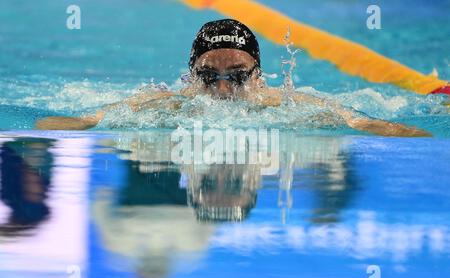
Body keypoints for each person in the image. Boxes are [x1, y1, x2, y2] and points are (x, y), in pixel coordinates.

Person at [35, 19, 431, 137]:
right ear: (191, 78)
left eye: (238, 76)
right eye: (208, 76)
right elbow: (86, 119)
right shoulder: (167, 103)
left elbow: (360, 121)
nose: (223, 90)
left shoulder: (285, 105)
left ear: (259, 78)